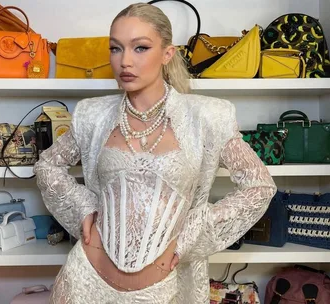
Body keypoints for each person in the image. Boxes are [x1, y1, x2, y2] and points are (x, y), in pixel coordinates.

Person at [34, 2, 277, 303]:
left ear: (167, 53)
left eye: (140, 48)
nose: (124, 62)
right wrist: (83, 207)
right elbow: (48, 166)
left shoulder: (207, 117)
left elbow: (260, 186)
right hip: (85, 281)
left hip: (167, 287)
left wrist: (188, 236)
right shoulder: (92, 115)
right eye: (115, 48)